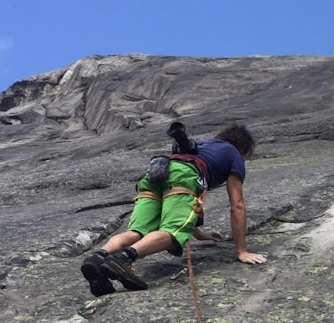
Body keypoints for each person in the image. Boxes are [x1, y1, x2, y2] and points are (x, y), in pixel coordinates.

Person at [80, 123, 266, 296]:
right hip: (184, 176)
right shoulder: (234, 154)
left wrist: (199, 234)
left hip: (155, 173)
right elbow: (237, 205)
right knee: (172, 234)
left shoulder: (201, 145)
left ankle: (99, 257)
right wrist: (242, 251)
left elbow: (177, 208)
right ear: (244, 148)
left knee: (138, 232)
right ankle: (123, 259)